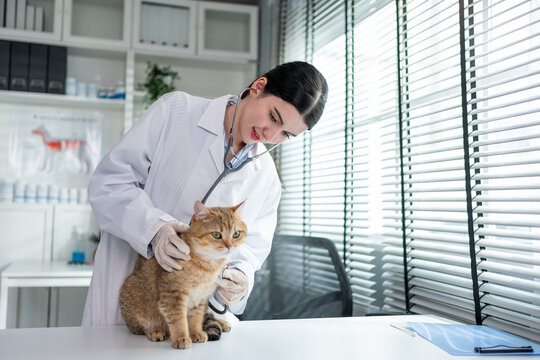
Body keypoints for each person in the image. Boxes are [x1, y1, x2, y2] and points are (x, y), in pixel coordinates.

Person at [82, 61, 328, 326]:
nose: (270, 134)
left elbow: (250, 251)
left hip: (194, 316)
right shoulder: (176, 112)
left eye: (286, 134)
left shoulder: (266, 178)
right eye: (273, 117)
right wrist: (154, 229)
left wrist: (239, 278)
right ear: (258, 87)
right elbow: (110, 183)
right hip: (128, 304)